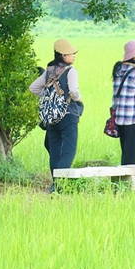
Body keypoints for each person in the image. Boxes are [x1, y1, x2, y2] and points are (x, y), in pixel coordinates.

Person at [29, 39, 84, 192]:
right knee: (68, 151)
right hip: (68, 114)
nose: (73, 56)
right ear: (62, 55)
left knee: (55, 152)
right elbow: (73, 91)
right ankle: (59, 186)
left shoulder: (49, 71)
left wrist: (50, 98)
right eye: (70, 53)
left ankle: (55, 184)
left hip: (51, 117)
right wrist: (79, 98)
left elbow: (33, 88)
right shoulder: (70, 71)